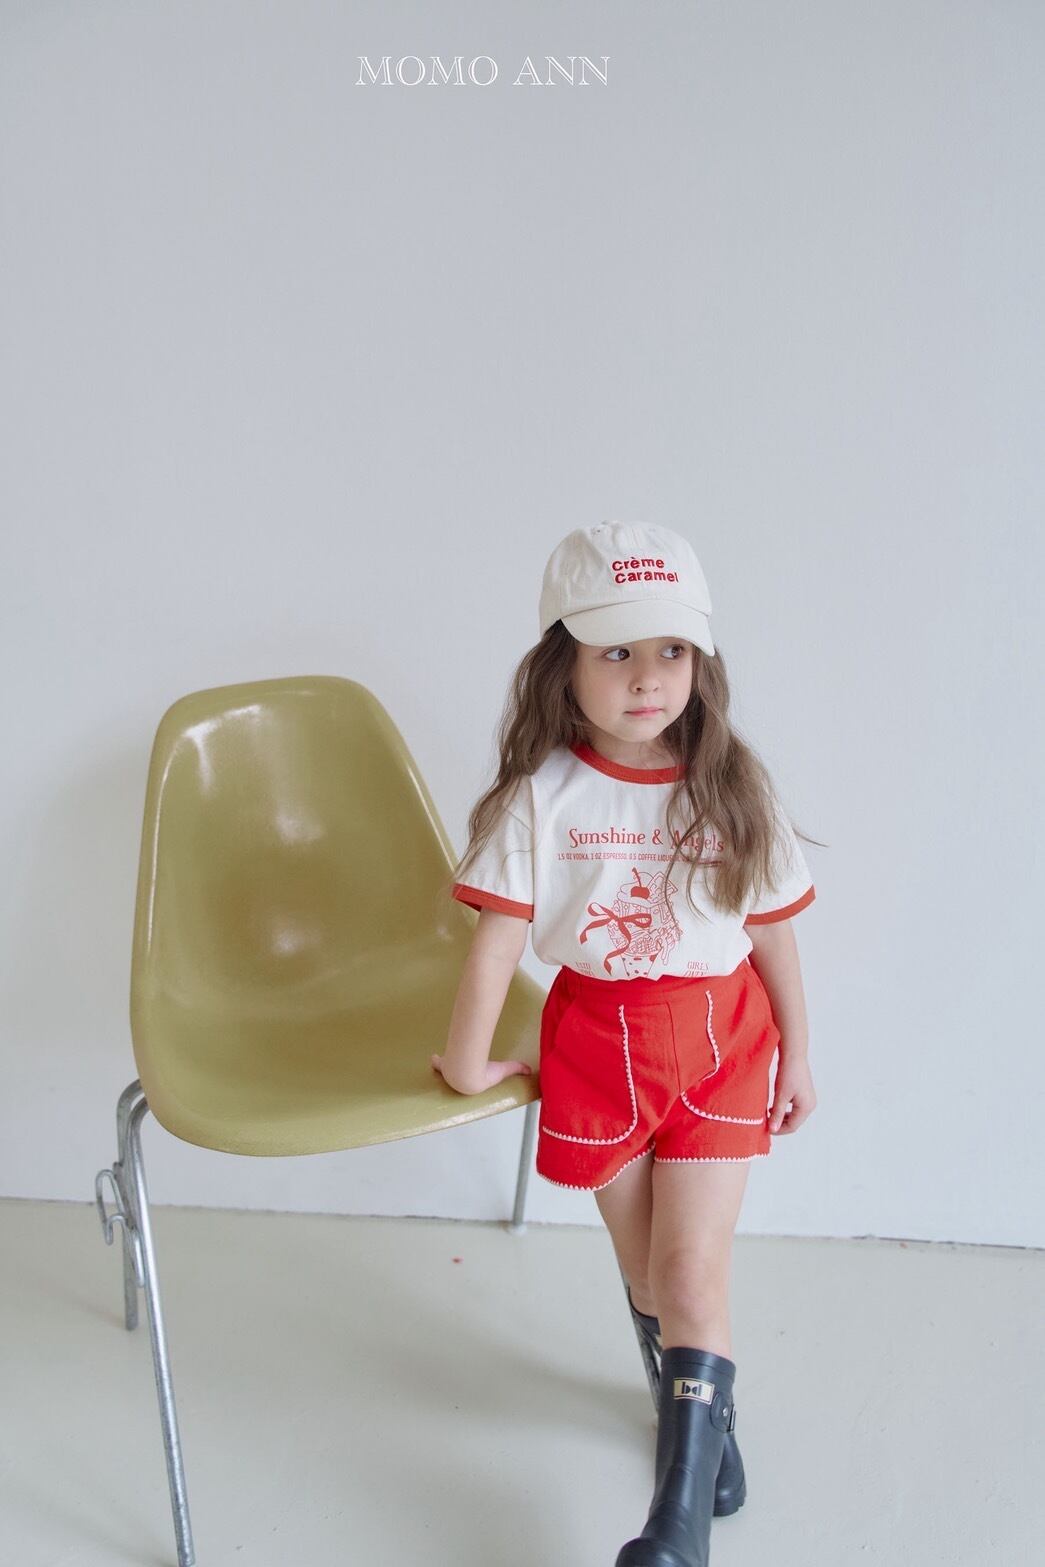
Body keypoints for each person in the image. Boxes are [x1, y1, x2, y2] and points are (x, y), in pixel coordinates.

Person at [431, 520, 820, 1567]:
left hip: (722, 1039)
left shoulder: (733, 787)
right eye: (616, 651)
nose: (648, 678)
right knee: (649, 1276)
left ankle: (673, 1527)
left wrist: (797, 1052)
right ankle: (703, 1420)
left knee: (691, 1271)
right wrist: (466, 1064)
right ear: (562, 663)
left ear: (700, 660)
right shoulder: (539, 800)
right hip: (599, 1046)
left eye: (671, 650)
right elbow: (492, 948)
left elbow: (771, 930)